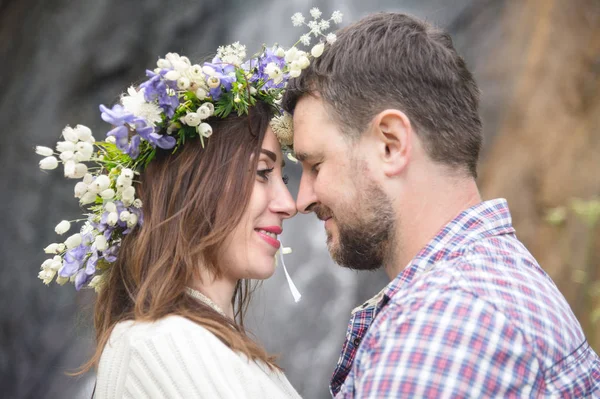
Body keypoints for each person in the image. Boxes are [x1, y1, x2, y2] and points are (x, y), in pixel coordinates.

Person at [283, 12, 600, 398]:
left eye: (316, 165)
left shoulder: (440, 329)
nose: (302, 199)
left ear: (391, 143)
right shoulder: (493, 282)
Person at [34, 9, 344, 393]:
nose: (289, 203)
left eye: (283, 176)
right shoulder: (151, 348)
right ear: (193, 184)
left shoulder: (228, 352)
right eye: (262, 173)